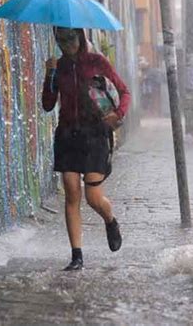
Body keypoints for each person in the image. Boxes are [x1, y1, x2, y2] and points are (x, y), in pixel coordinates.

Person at [42, 27, 131, 271]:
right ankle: (76, 256)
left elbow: (123, 91)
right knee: (71, 192)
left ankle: (110, 221)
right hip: (68, 135)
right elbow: (48, 105)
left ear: (80, 38)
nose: (65, 44)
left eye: (70, 39)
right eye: (60, 40)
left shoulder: (96, 62)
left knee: (93, 198)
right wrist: (49, 75)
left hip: (95, 135)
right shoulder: (58, 67)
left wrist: (118, 113)